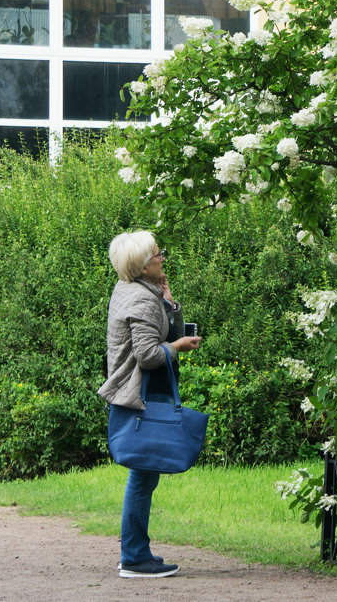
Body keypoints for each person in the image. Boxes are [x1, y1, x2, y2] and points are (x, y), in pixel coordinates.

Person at [98, 231, 201, 578]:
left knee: (144, 476)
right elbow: (149, 354)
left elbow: (162, 333)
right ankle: (134, 557)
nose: (163, 258)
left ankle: (137, 551)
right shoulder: (141, 300)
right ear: (143, 265)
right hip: (139, 396)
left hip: (141, 394)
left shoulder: (134, 290)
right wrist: (178, 348)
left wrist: (170, 303)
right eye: (159, 254)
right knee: (142, 478)